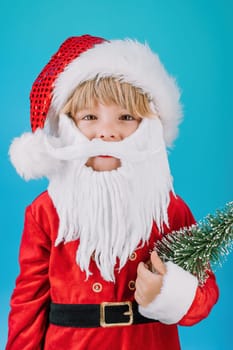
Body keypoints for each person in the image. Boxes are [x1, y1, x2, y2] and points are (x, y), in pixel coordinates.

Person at [6, 34, 219, 350]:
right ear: (68, 124)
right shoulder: (47, 211)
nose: (107, 132)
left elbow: (204, 293)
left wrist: (168, 291)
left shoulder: (168, 209)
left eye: (126, 117)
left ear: (148, 127)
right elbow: (28, 302)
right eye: (90, 117)